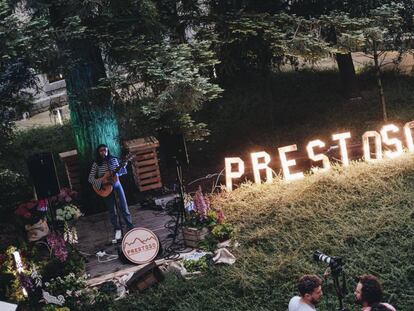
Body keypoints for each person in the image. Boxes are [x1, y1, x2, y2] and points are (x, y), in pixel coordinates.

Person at [88, 144, 133, 240]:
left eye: (105, 150)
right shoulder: (96, 164)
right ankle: (117, 229)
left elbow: (121, 172)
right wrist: (102, 180)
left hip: (117, 185)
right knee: (112, 210)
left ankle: (130, 226)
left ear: (108, 150)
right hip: (106, 188)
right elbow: (90, 179)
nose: (103, 152)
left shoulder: (113, 159)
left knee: (124, 206)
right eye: (101, 150)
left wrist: (123, 165)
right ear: (98, 152)